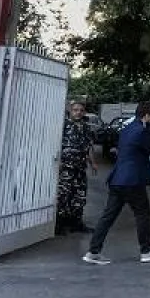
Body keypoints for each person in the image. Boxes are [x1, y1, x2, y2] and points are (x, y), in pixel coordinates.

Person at [84, 102, 150, 265]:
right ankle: (147, 250)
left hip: (117, 179)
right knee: (142, 213)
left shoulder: (126, 130)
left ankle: (93, 251)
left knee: (108, 216)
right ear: (146, 116)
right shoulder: (142, 131)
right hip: (132, 180)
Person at [55, 101, 97, 235]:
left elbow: (89, 146)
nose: (78, 112)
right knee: (63, 195)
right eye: (75, 110)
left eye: (81, 110)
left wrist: (93, 163)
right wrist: (59, 162)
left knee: (80, 195)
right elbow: (56, 145)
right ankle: (59, 225)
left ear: (84, 112)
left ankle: (76, 223)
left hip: (80, 167)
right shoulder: (64, 126)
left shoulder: (86, 127)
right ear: (70, 111)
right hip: (66, 167)